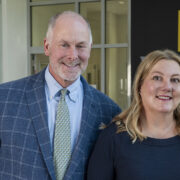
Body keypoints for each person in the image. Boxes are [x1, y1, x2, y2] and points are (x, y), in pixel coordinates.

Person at [0, 11, 121, 180]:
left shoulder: (109, 112)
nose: (73, 55)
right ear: (47, 46)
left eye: (80, 46)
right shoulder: (4, 99)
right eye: (64, 45)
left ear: (90, 49)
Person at [87, 49, 180, 180]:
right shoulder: (113, 138)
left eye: (175, 80)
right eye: (157, 78)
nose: (167, 87)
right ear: (139, 86)